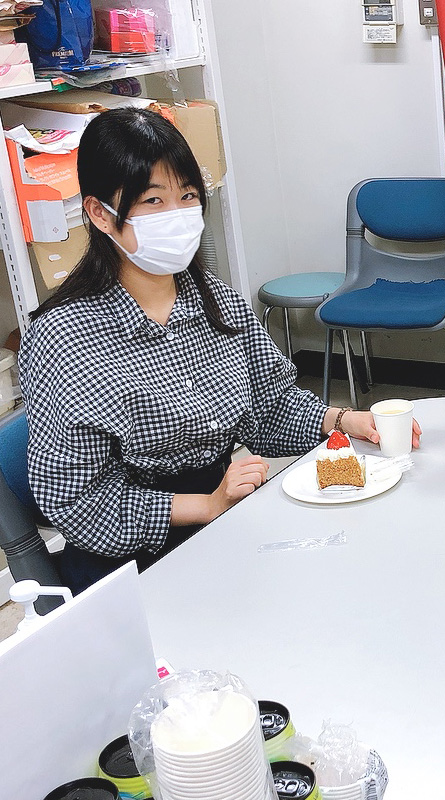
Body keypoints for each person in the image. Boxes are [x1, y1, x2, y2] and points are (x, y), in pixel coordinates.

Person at [18, 108, 419, 592]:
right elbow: (78, 503)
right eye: (153, 200)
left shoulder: (214, 299)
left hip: (227, 516)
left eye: (188, 196)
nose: (178, 214)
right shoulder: (66, 336)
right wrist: (206, 506)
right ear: (100, 213)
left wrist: (344, 420)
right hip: (132, 563)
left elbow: (268, 410)